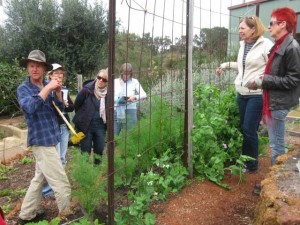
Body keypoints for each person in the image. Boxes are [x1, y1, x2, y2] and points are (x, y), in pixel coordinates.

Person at [17, 50, 71, 224]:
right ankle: (66, 217)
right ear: (27, 68)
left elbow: (60, 106)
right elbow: (30, 107)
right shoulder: (24, 89)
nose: (34, 69)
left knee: (39, 180)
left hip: (53, 137)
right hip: (41, 141)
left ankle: (25, 215)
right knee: (61, 182)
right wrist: (48, 88)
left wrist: (57, 92)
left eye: (38, 66)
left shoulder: (47, 84)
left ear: (43, 69)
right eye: (31, 66)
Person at [216, 16, 273, 173]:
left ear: (253, 29)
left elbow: (274, 67)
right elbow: (242, 66)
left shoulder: (266, 45)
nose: (239, 31)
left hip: (256, 94)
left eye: (243, 28)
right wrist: (224, 65)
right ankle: (246, 160)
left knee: (249, 129)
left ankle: (251, 165)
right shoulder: (243, 45)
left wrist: (260, 80)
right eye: (239, 28)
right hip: (241, 93)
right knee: (247, 128)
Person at [247, 7, 300, 165]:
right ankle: (274, 180)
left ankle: (275, 183)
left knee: (276, 146)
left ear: (282, 24)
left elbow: (293, 80)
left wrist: (265, 80)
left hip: (279, 103)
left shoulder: (291, 48)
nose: (269, 27)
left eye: (272, 23)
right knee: (275, 144)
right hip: (273, 101)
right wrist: (262, 80)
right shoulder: (279, 45)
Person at [42, 63, 74, 198]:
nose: (59, 75)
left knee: (62, 158)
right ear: (49, 75)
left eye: (61, 73)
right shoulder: (45, 90)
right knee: (53, 160)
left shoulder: (63, 90)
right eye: (56, 73)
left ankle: (58, 188)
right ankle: (48, 189)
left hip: (64, 127)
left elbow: (71, 108)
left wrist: (66, 104)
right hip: (52, 129)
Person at [73, 69, 108, 164]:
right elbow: (76, 105)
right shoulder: (86, 90)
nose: (101, 80)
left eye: (104, 80)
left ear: (107, 83)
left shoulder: (108, 94)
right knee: (85, 152)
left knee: (99, 151)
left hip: (100, 127)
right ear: (96, 77)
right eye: (99, 78)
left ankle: (96, 173)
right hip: (86, 127)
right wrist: (82, 118)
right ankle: (84, 173)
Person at [114, 63, 147, 135]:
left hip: (131, 110)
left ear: (131, 73)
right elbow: (111, 96)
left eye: (128, 74)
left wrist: (135, 97)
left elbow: (144, 94)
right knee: (114, 135)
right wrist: (122, 99)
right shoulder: (115, 82)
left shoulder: (134, 81)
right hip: (117, 110)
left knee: (131, 134)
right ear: (121, 73)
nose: (126, 76)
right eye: (124, 74)